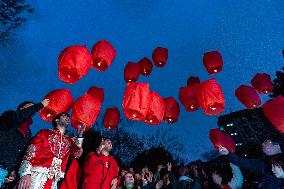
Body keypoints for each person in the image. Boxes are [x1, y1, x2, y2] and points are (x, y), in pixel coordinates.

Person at [17, 112, 84, 189]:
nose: (67, 117)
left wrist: (80, 136)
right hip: (37, 175)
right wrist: (25, 173)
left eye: (68, 117)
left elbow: (77, 154)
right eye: (64, 115)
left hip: (54, 181)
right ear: (56, 120)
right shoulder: (44, 133)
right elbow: (31, 151)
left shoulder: (69, 141)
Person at [0, 99, 49, 187]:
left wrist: (13, 171)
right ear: (21, 108)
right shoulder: (9, 116)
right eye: (30, 107)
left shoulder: (28, 133)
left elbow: (21, 154)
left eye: (33, 108)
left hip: (4, 172)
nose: (33, 109)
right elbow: (19, 117)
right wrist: (40, 105)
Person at [219, 139, 284, 189]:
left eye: (266, 142)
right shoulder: (265, 163)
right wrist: (228, 154)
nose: (262, 144)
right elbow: (245, 163)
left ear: (276, 145)